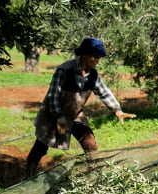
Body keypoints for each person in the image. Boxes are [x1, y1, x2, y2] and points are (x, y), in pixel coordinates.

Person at [25, 37, 136, 177]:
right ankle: (29, 174)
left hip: (75, 114)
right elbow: (52, 97)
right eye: (95, 57)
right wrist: (58, 117)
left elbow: (104, 92)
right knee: (41, 146)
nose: (97, 61)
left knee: (90, 144)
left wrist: (117, 110)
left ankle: (95, 176)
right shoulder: (64, 70)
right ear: (85, 55)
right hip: (53, 114)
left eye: (99, 57)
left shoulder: (93, 75)